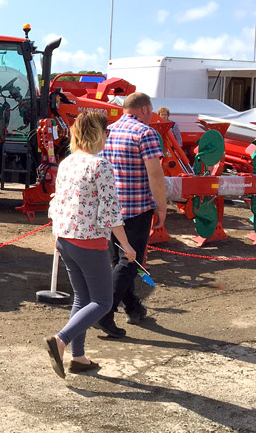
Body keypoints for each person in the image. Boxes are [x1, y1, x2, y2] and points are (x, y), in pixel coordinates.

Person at [44, 111, 136, 378]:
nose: (108, 137)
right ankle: (60, 341)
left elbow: (58, 201)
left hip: (65, 238)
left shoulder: (67, 163)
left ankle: (79, 357)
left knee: (83, 298)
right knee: (103, 301)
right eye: (106, 132)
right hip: (89, 241)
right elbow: (110, 211)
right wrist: (127, 246)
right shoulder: (101, 165)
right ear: (98, 133)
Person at [98, 92, 167, 337]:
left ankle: (134, 307)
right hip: (136, 209)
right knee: (130, 262)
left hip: (109, 208)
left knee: (117, 262)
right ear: (146, 110)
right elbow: (155, 175)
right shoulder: (145, 133)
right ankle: (104, 313)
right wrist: (162, 207)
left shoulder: (107, 132)